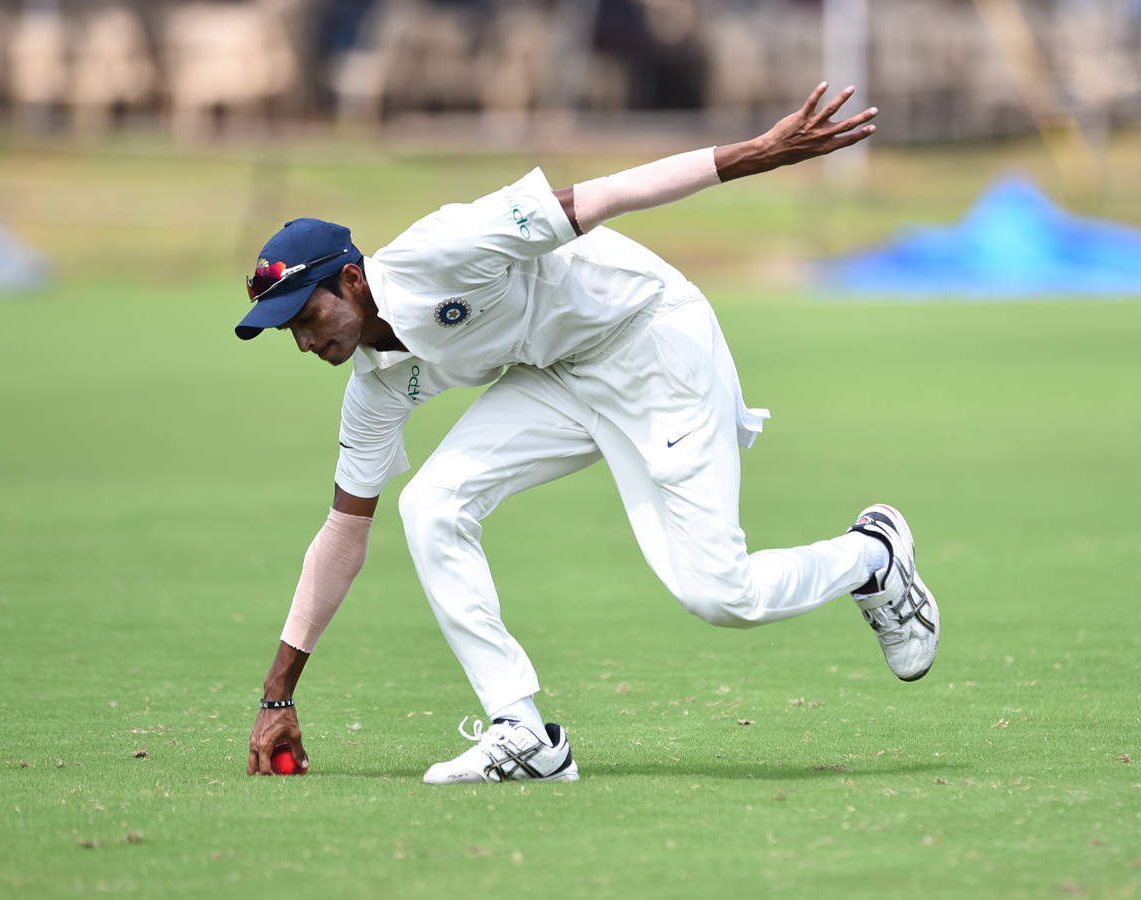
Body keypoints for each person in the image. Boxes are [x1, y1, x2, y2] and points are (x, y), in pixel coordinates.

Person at [239, 84, 938, 784]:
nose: (303, 341)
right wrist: (278, 693)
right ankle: (522, 732)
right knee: (431, 503)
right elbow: (343, 535)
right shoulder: (374, 384)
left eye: (307, 317)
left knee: (722, 596)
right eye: (289, 331)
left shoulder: (441, 251)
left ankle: (871, 556)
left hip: (651, 339)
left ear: (353, 280)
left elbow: (605, 195)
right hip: (561, 374)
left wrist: (759, 152)